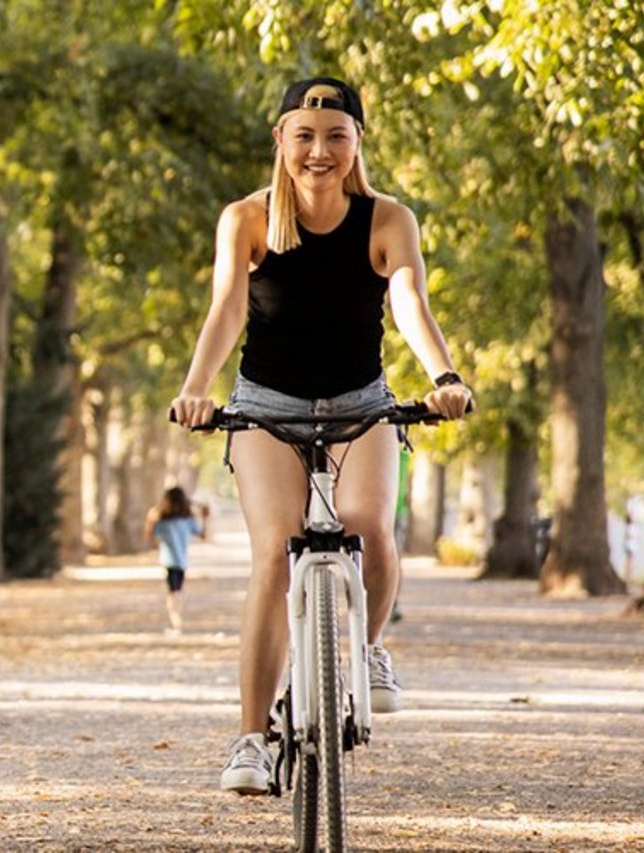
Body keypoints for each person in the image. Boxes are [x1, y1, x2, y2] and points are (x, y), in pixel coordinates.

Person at [165, 77, 475, 795]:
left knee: (369, 522)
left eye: (337, 135)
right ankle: (249, 738)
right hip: (266, 404)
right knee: (275, 549)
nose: (319, 151)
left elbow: (410, 304)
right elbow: (226, 309)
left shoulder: (387, 218)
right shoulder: (245, 219)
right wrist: (195, 388)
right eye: (304, 135)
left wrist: (445, 374)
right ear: (280, 141)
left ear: (357, 143)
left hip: (359, 402)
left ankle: (363, 654)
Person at [149, 487, 204, 634]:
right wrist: (204, 516)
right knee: (177, 591)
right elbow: (202, 533)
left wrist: (150, 518)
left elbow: (151, 537)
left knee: (173, 592)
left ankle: (176, 621)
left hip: (169, 562)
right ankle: (176, 620)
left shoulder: (163, 522)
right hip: (182, 562)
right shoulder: (187, 521)